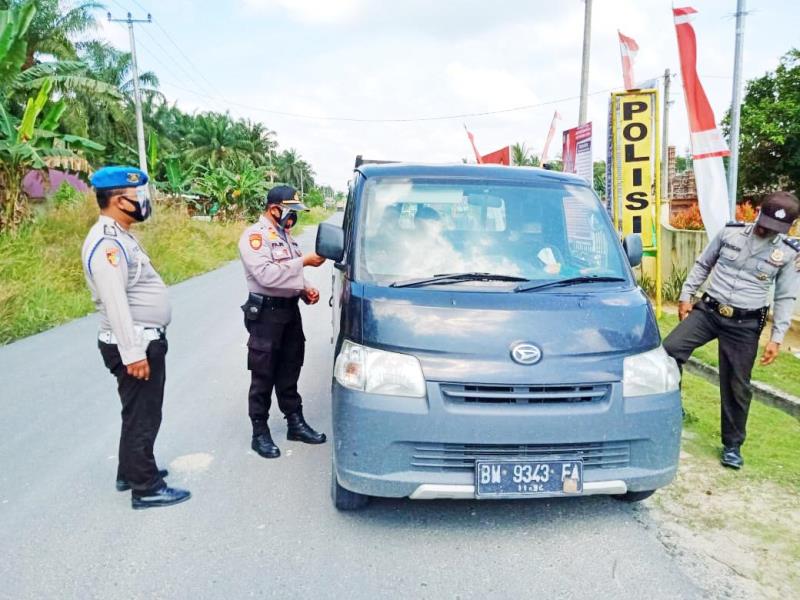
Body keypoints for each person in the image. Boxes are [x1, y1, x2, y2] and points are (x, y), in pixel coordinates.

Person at [663, 191, 800, 469]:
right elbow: (704, 263)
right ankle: (671, 410)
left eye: (777, 229)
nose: (768, 231)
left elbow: (785, 297)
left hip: (745, 323)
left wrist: (776, 337)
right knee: (669, 351)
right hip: (709, 311)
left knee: (737, 384)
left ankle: (732, 445)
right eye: (766, 223)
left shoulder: (786, 253)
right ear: (759, 212)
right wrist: (686, 295)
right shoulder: (730, 232)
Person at [82, 166, 191, 510]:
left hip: (142, 338)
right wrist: (132, 353)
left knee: (137, 412)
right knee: (144, 414)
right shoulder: (107, 244)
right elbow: (115, 300)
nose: (143, 203)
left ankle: (130, 471)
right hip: (134, 342)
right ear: (118, 200)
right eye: (137, 197)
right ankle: (145, 487)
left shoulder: (122, 235)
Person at [239, 185, 327, 459]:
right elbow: (266, 275)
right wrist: (304, 263)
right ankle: (259, 432)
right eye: (291, 210)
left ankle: (295, 423)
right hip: (266, 315)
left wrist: (305, 288)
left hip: (290, 312)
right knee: (263, 374)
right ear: (274, 208)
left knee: (290, 369)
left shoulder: (286, 237)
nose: (294, 217)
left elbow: (289, 273)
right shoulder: (255, 236)